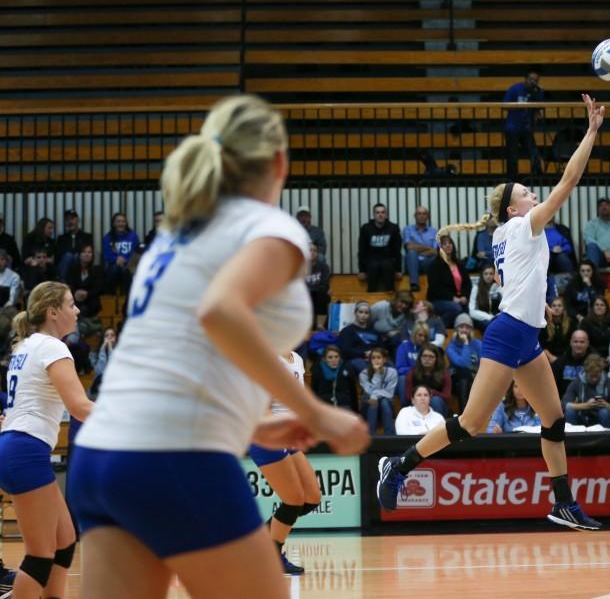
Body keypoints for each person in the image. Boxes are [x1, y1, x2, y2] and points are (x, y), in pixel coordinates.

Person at [67, 95, 369, 599]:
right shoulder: (264, 224)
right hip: (172, 455)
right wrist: (316, 412)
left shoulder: (177, 233)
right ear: (278, 161)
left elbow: (174, 361)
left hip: (102, 458)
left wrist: (251, 423)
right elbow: (220, 311)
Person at [377, 94, 606, 531]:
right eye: (526, 193)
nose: (533, 194)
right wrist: (591, 132)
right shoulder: (523, 225)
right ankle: (399, 465)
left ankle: (563, 503)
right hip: (507, 334)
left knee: (554, 420)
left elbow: (513, 277)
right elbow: (568, 182)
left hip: (525, 335)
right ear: (513, 209)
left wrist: (534, 297)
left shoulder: (505, 232)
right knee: (471, 423)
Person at [0, 282, 93, 599]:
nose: (77, 310)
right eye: (71, 304)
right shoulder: (52, 347)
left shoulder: (26, 345)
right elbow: (80, 407)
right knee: (41, 554)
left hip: (20, 449)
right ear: (53, 312)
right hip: (25, 450)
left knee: (65, 540)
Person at [246, 350, 322, 574]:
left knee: (312, 497)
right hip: (269, 435)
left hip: (289, 436)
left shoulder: (297, 358)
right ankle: (272, 556)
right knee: (294, 499)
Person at [503, 70, 544, 178]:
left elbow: (540, 107)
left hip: (527, 128)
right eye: (531, 79)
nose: (533, 82)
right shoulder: (515, 89)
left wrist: (539, 93)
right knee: (512, 154)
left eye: (536, 80)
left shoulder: (537, 91)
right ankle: (512, 177)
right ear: (525, 79)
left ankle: (537, 175)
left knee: (533, 151)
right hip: (513, 127)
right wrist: (519, 105)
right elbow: (505, 105)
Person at [562, 353, 610, 428]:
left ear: (601, 372)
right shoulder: (577, 382)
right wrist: (586, 405)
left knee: (604, 412)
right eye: (591, 376)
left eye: (597, 376)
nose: (594, 379)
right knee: (570, 412)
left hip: (603, 418)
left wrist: (606, 405)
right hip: (582, 416)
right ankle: (573, 438)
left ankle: (607, 438)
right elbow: (564, 404)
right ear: (586, 372)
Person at [426, 234, 471, 328]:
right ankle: (436, 328)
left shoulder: (459, 263)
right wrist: (452, 298)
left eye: (450, 243)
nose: (448, 245)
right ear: (440, 248)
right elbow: (435, 287)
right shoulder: (434, 265)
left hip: (459, 299)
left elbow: (467, 284)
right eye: (444, 244)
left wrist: (464, 296)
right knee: (456, 308)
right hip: (438, 300)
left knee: (467, 310)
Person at [357, 202, 402, 292]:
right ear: (374, 215)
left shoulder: (393, 228)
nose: (380, 215)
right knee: (373, 266)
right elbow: (362, 250)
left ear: (386, 215)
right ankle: (371, 295)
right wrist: (361, 270)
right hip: (371, 260)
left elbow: (397, 250)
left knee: (387, 265)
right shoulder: (366, 228)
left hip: (388, 259)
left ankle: (390, 294)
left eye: (382, 212)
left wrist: (398, 270)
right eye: (377, 213)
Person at [446, 313, 482, 411]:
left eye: (468, 327)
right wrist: (466, 343)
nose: (465, 330)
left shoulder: (477, 344)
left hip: (474, 378)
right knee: (464, 372)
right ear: (456, 329)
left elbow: (484, 362)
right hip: (456, 380)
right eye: (461, 327)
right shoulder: (451, 347)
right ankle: (463, 413)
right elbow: (463, 364)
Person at [404, 344, 452, 417]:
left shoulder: (444, 373)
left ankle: (437, 427)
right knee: (420, 400)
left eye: (431, 357)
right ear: (420, 358)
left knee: (435, 400)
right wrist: (422, 396)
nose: (427, 359)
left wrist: (431, 393)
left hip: (438, 404)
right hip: (417, 403)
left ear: (436, 359)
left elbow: (447, 395)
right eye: (425, 356)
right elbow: (408, 395)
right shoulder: (412, 372)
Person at [359, 347, 397, 435]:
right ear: (370, 360)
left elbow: (389, 393)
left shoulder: (392, 372)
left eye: (379, 357)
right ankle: (371, 437)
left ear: (384, 359)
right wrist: (376, 373)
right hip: (368, 405)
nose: (376, 360)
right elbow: (369, 391)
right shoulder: (363, 374)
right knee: (373, 403)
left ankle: (389, 437)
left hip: (386, 404)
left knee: (383, 402)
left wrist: (375, 395)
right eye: (373, 358)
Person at [337, 301, 381, 375]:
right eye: (360, 312)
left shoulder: (374, 331)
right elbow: (345, 350)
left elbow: (380, 346)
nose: (363, 315)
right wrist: (364, 354)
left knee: (390, 367)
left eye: (366, 313)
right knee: (367, 369)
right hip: (355, 359)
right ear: (355, 313)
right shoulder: (347, 331)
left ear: (369, 315)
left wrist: (374, 354)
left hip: (374, 358)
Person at [310, 345, 357, 412]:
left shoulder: (346, 368)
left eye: (336, 357)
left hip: (343, 404)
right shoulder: (318, 370)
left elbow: (353, 390)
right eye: (330, 357)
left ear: (340, 358)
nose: (334, 360)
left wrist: (355, 411)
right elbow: (314, 391)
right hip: (324, 405)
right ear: (324, 359)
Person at [402, 206, 438, 292]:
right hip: (411, 263)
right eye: (419, 214)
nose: (421, 216)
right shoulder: (408, 229)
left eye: (424, 214)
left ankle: (435, 286)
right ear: (415, 216)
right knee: (411, 253)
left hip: (427, 263)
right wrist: (428, 248)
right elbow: (409, 247)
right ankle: (414, 284)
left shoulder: (434, 231)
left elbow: (435, 251)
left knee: (436, 258)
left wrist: (417, 249)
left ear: (427, 216)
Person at [551, 329, 597, 396]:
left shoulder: (595, 361)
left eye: (582, 342)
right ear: (570, 343)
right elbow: (553, 385)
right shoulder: (560, 362)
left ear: (587, 343)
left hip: (588, 398)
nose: (578, 345)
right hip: (565, 399)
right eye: (575, 342)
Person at [54, 209, 94, 279]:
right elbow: (58, 256)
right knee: (68, 256)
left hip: (82, 265)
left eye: (72, 219)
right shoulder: (61, 238)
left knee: (76, 256)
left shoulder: (87, 237)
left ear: (78, 220)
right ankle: (63, 282)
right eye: (67, 219)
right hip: (64, 267)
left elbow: (91, 255)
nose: (70, 222)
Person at [540, 296, 575, 363]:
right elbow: (541, 344)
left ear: (563, 308)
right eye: (554, 306)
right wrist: (551, 357)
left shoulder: (571, 323)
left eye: (559, 306)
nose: (556, 308)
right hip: (548, 358)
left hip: (566, 357)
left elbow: (572, 343)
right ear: (550, 308)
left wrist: (562, 359)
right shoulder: (544, 324)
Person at [304, 242, 331, 330]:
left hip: (318, 295)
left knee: (322, 295)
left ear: (317, 253)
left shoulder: (323, 267)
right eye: (309, 250)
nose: (312, 252)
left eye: (314, 250)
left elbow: (325, 285)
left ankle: (320, 325)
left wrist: (311, 290)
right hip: (304, 296)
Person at [469, 266, 501, 331]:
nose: (488, 276)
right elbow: (472, 311)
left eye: (491, 274)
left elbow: (504, 307)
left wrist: (498, 317)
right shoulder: (476, 288)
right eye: (486, 274)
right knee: (489, 325)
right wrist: (490, 317)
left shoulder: (499, 288)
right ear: (482, 275)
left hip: (498, 318)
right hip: (482, 319)